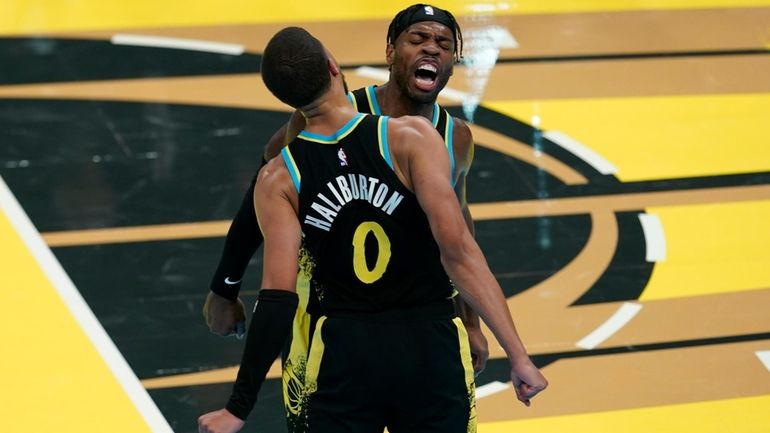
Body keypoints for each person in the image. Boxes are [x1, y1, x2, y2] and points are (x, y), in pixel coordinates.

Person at [198, 26, 547, 433]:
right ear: (335, 68)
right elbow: (460, 252)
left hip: (340, 349)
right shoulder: (416, 138)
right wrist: (517, 354)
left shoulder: (278, 175)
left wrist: (238, 408)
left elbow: (277, 296)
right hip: (428, 343)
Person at [203, 2, 490, 377]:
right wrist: (225, 288)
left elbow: (459, 232)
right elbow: (264, 190)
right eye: (417, 39)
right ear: (390, 51)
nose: (431, 48)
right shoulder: (326, 116)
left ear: (453, 61)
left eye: (444, 44)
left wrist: (471, 322)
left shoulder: (456, 139)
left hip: (416, 315)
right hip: (330, 317)